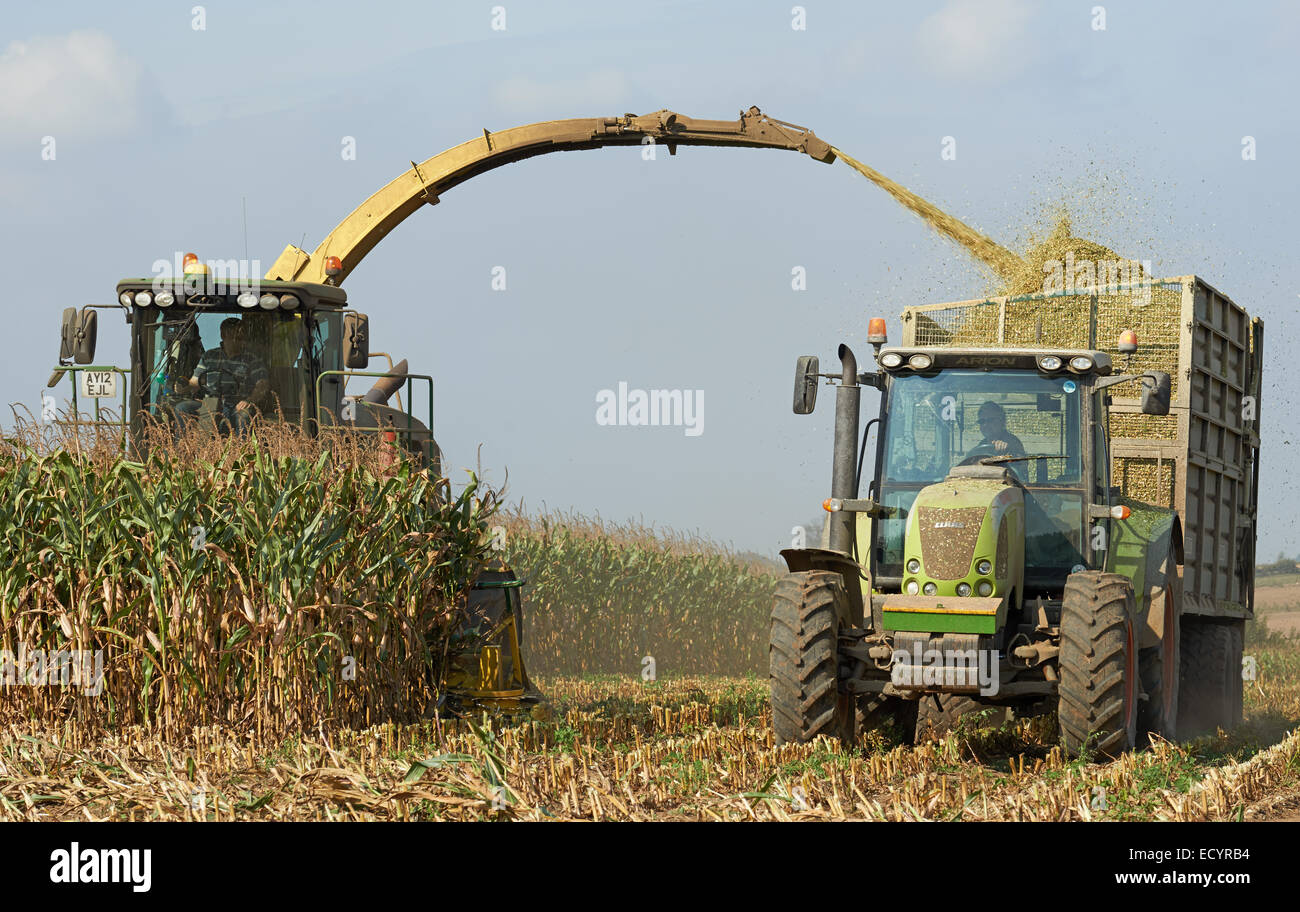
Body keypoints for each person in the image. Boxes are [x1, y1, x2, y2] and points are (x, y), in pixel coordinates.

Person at [175, 318, 269, 434]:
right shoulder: (209, 356)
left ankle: (243, 450)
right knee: (182, 408)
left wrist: (248, 401)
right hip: (210, 402)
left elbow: (262, 385)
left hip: (237, 405)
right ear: (223, 335)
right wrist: (184, 386)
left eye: (241, 337)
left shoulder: (252, 359)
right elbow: (195, 382)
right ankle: (184, 449)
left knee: (244, 416)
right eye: (236, 336)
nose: (240, 341)